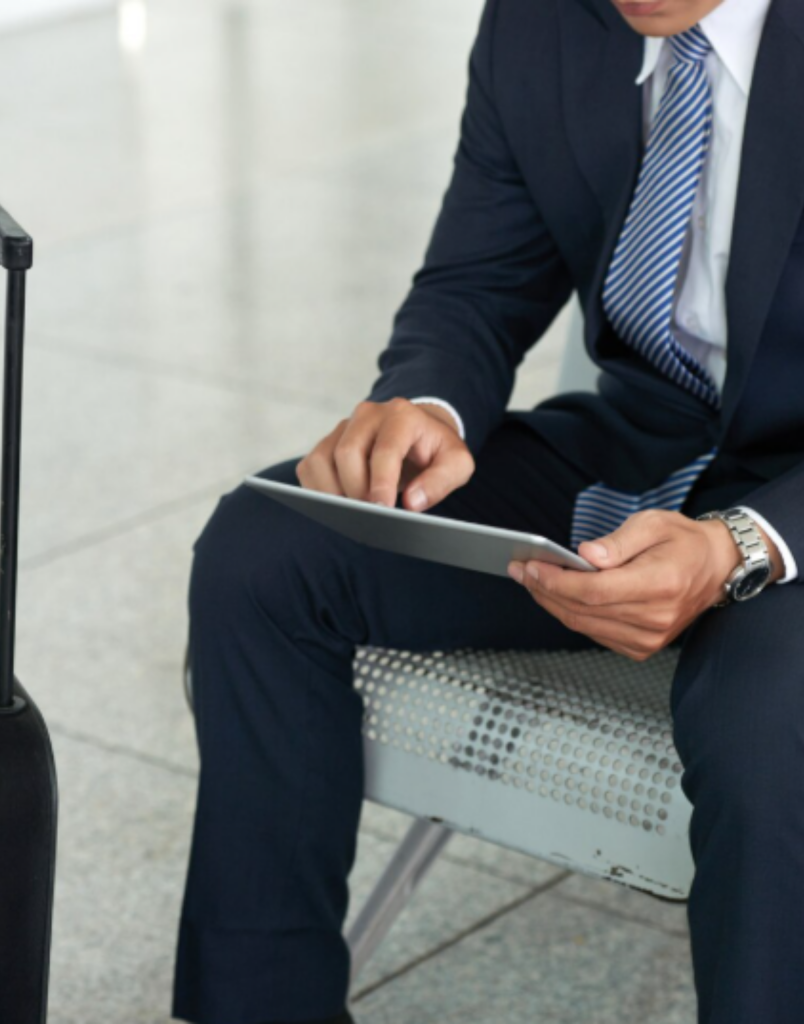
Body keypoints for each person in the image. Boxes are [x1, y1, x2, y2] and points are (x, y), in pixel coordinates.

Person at [172, 0, 804, 1020]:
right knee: (267, 551)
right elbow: (478, 278)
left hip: (791, 512)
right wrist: (424, 404)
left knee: (772, 714)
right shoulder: (539, 21)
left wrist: (741, 543)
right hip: (643, 449)